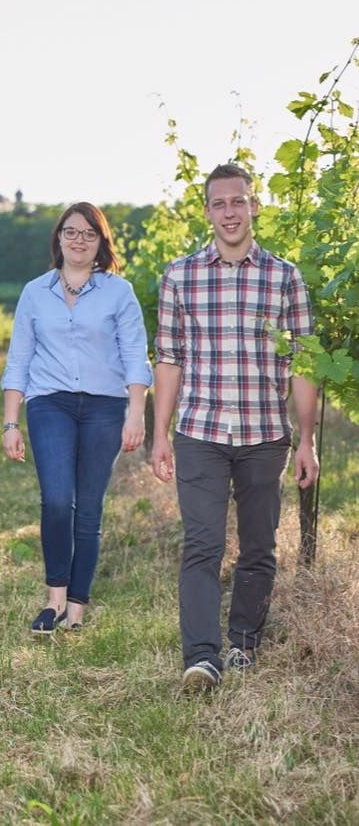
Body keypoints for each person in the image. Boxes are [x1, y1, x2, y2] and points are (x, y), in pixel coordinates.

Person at [151, 163, 319, 692]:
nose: (229, 212)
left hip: (265, 435)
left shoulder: (285, 277)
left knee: (258, 548)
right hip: (199, 431)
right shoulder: (180, 276)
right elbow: (170, 358)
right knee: (202, 544)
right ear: (207, 211)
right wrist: (160, 433)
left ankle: (243, 643)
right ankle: (201, 658)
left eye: (238, 202)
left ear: (254, 207)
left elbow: (303, 363)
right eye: (219, 203)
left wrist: (307, 440)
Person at [1, 202, 152, 635]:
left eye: (89, 233)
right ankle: (53, 599)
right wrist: (11, 423)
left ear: (101, 241)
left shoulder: (118, 292)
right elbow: (18, 361)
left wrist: (136, 413)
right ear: (59, 238)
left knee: (88, 507)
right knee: (56, 499)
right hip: (50, 403)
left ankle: (77, 607)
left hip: (105, 406)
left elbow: (134, 357)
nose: (79, 240)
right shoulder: (35, 292)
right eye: (71, 232)